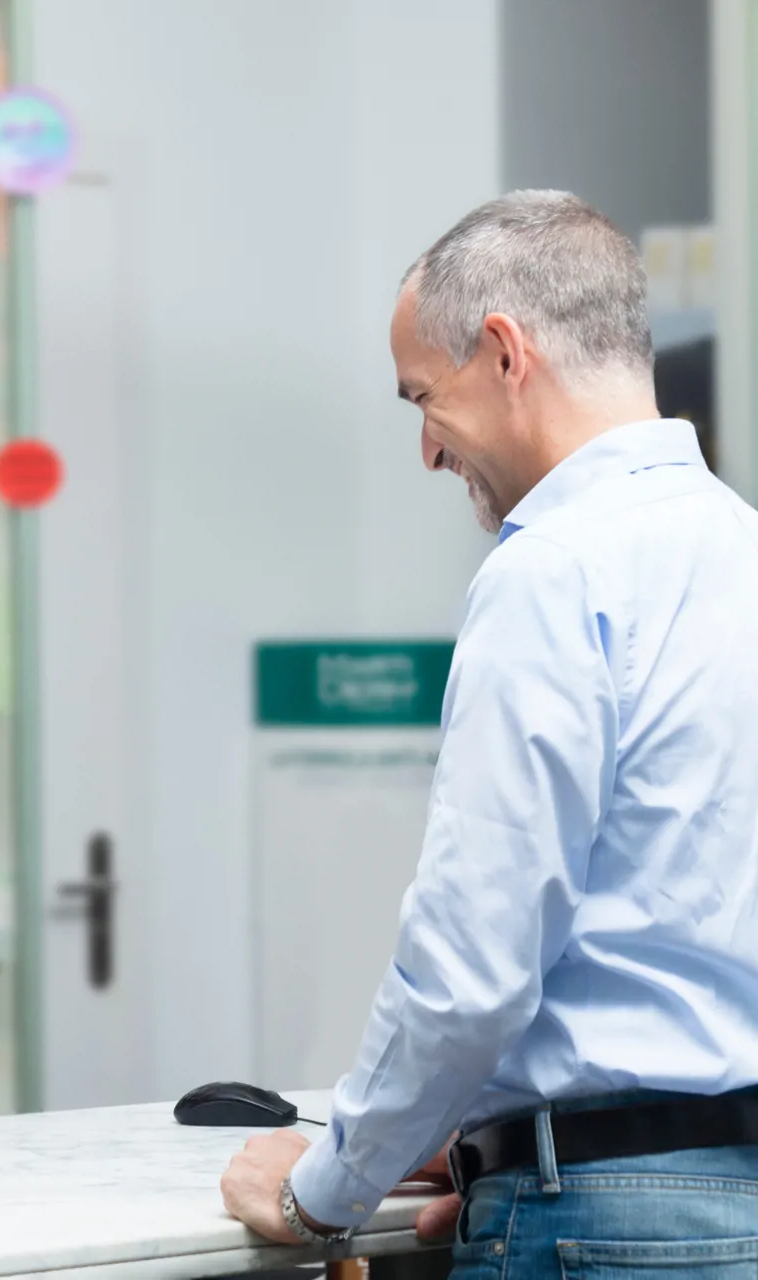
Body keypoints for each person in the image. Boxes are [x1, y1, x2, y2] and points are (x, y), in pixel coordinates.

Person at [221, 191, 758, 1275]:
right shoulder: (739, 546)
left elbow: (473, 962)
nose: (425, 448)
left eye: (423, 395)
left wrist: (325, 1186)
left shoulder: (550, 567)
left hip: (598, 1222)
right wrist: (487, 1147)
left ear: (504, 351)